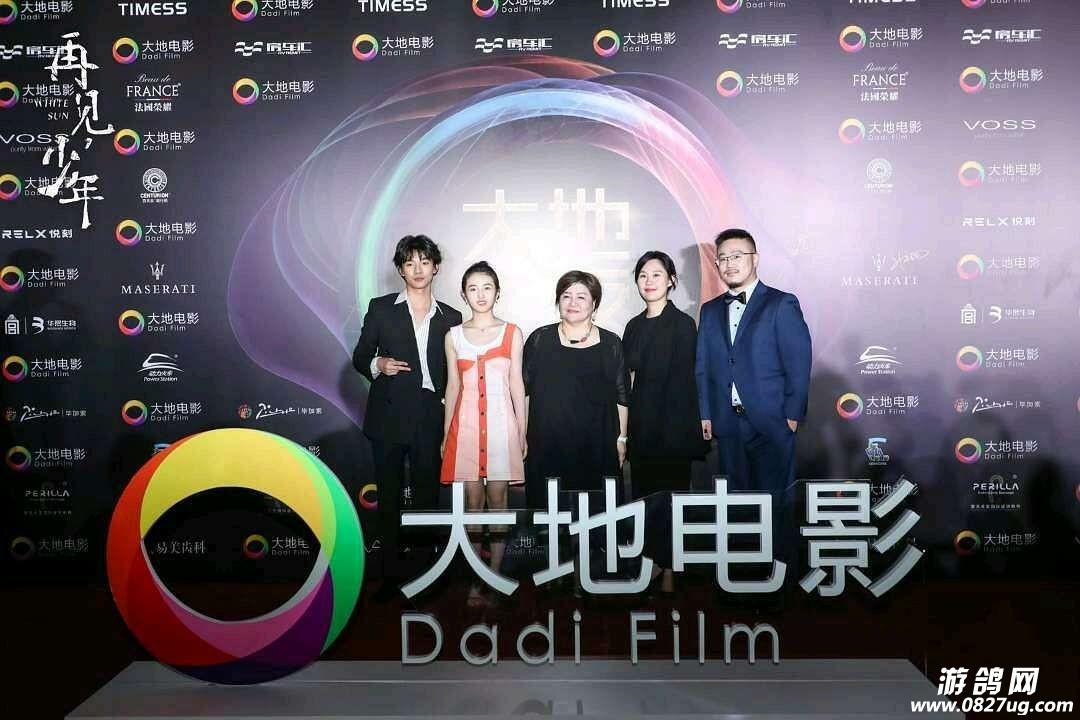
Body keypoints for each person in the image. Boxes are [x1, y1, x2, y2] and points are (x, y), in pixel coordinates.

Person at [352, 235, 462, 598]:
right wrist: (378, 363)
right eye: (410, 263)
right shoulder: (381, 308)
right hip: (388, 414)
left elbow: (456, 372)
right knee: (389, 498)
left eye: (424, 262)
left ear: (435, 268)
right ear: (400, 269)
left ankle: (424, 575)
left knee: (428, 498)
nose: (418, 269)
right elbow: (359, 356)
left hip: (430, 415)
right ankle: (389, 576)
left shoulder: (452, 317)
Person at [696, 228, 811, 569]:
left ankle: (779, 577)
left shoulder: (780, 303)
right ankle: (741, 574)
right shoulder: (710, 310)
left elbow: (798, 363)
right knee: (735, 504)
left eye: (737, 256)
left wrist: (791, 415)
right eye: (723, 258)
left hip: (772, 422)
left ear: (755, 258)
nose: (729, 264)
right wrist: (706, 412)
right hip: (728, 423)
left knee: (776, 504)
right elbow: (703, 366)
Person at [440, 262, 526, 607]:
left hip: (502, 427)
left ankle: (495, 574)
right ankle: (477, 578)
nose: (480, 294)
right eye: (473, 288)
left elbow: (517, 384)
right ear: (463, 294)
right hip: (466, 429)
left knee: (499, 501)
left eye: (487, 287)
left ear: (497, 292)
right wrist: (446, 435)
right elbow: (452, 387)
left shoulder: (512, 333)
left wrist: (522, 431)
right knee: (473, 504)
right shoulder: (453, 337)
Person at [623, 251, 707, 595]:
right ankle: (650, 564)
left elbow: (689, 381)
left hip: (673, 428)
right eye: (643, 275)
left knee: (672, 500)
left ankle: (670, 568)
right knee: (643, 499)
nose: (649, 281)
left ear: (671, 281)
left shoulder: (683, 324)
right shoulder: (633, 326)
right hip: (641, 428)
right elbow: (627, 380)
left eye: (657, 274)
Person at [522, 271, 630, 510]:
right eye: (566, 296)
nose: (573, 303)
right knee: (549, 512)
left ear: (594, 304)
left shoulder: (611, 343)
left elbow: (622, 397)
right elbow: (525, 393)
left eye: (581, 297)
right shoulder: (539, 340)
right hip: (548, 441)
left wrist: (621, 438)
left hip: (598, 443)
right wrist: (523, 434)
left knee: (597, 513)